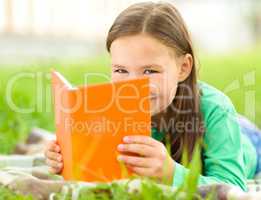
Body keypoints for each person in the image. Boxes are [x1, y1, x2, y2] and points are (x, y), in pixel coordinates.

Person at [44, 2, 260, 191]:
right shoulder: (108, 106)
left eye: (150, 71)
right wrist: (68, 159)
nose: (132, 87)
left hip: (246, 138)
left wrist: (169, 174)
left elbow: (233, 188)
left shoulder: (215, 109)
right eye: (120, 70)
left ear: (183, 68)